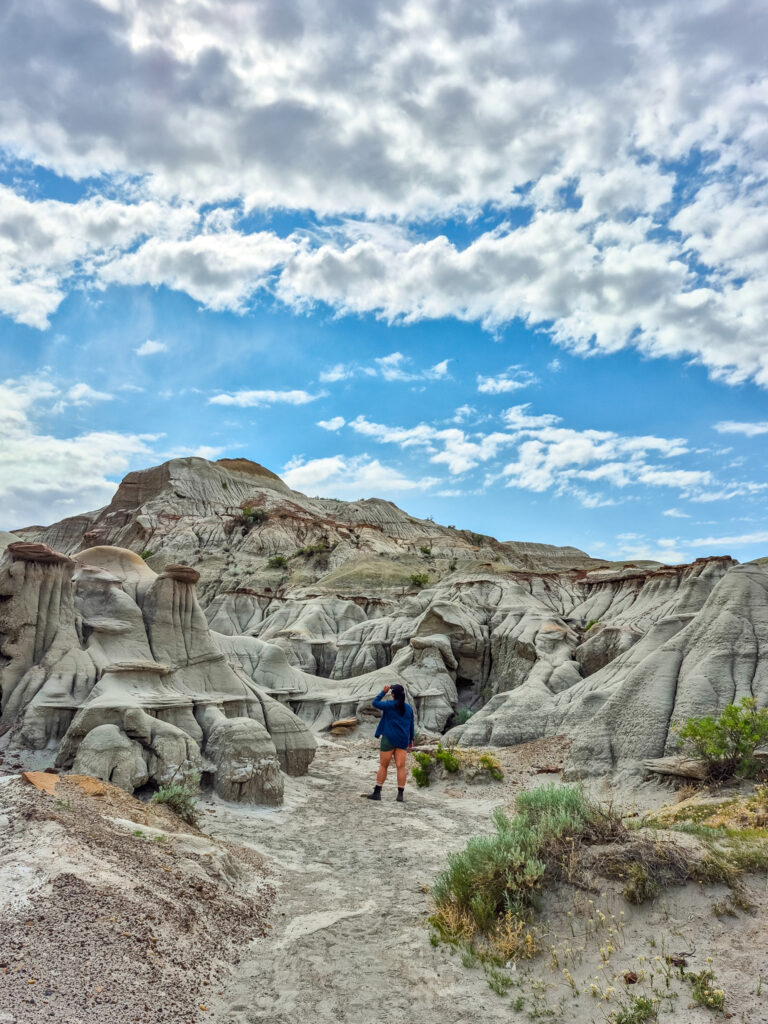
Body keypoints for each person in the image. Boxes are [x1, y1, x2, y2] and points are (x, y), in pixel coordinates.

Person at [365, 683, 414, 803]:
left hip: (388, 738)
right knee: (401, 767)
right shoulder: (408, 708)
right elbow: (411, 725)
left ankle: (377, 792)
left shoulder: (389, 705)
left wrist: (383, 691)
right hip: (402, 739)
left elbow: (375, 703)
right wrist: (411, 739)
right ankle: (400, 795)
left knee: (383, 765)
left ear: (392, 694)